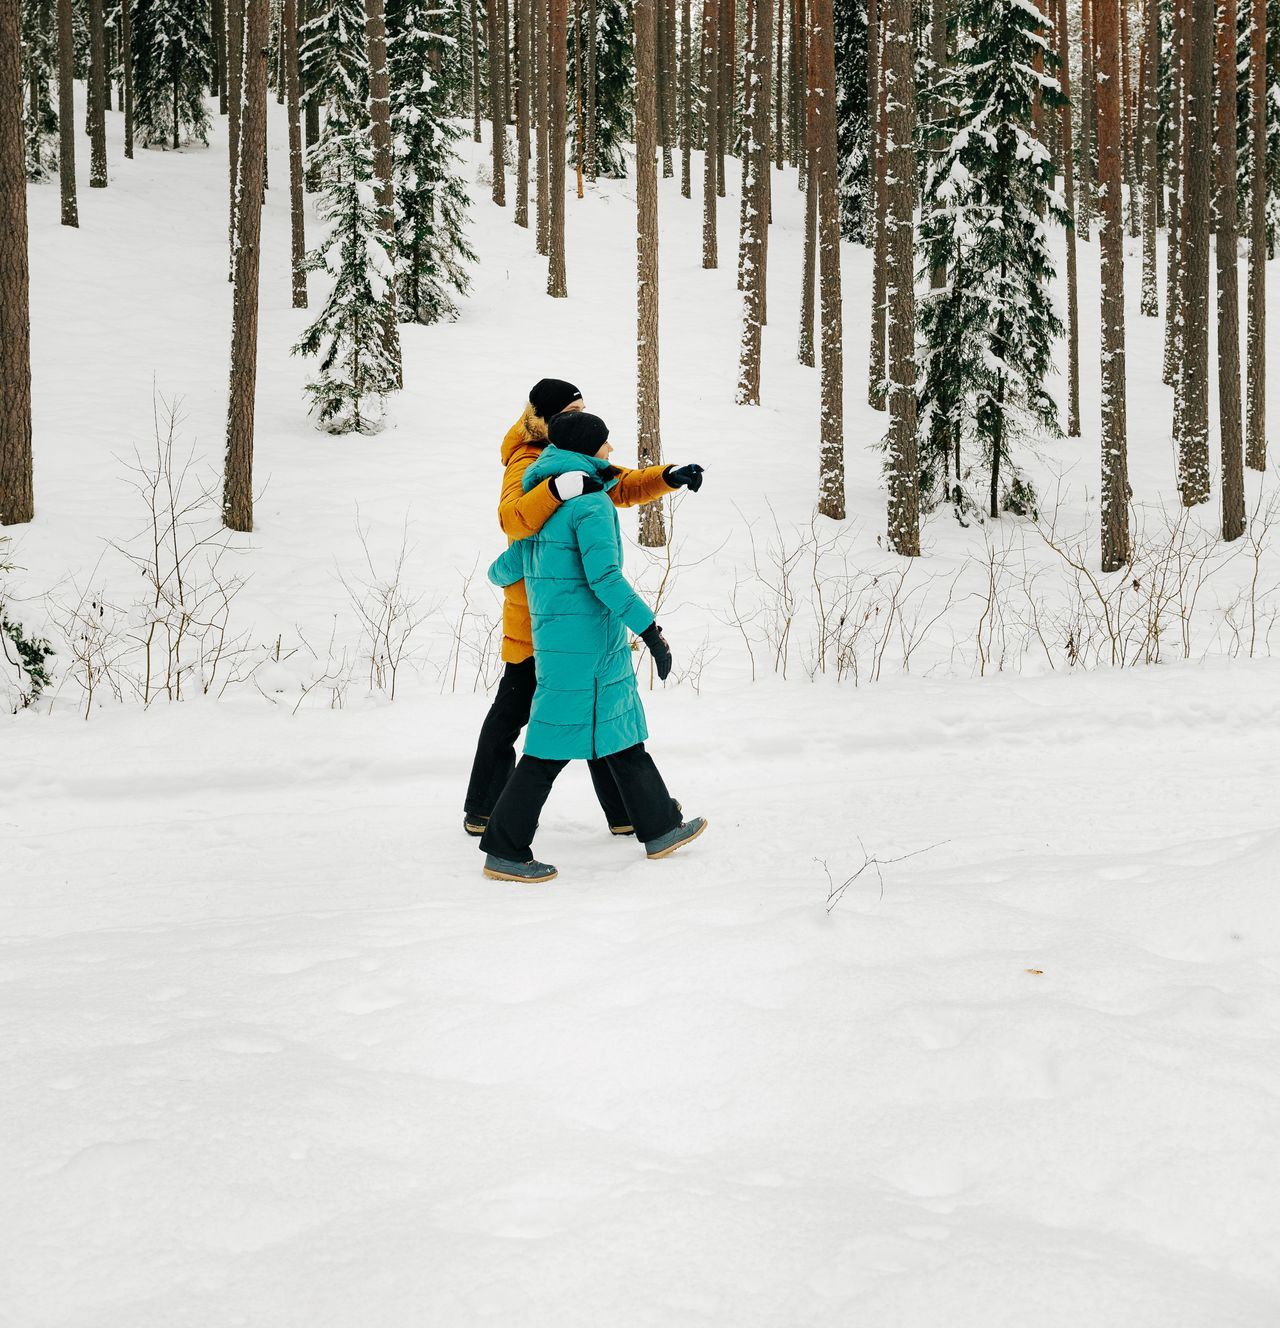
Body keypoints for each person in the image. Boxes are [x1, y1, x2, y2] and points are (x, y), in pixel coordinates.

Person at [463, 378, 704, 838]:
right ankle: (486, 812)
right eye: (570, 412)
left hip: (570, 610)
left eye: (580, 410)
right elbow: (513, 519)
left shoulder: (574, 457)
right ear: (544, 419)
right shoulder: (528, 461)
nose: (577, 417)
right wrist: (555, 491)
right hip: (535, 611)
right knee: (518, 713)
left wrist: (667, 477)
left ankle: (629, 813)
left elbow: (617, 481)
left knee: (595, 710)